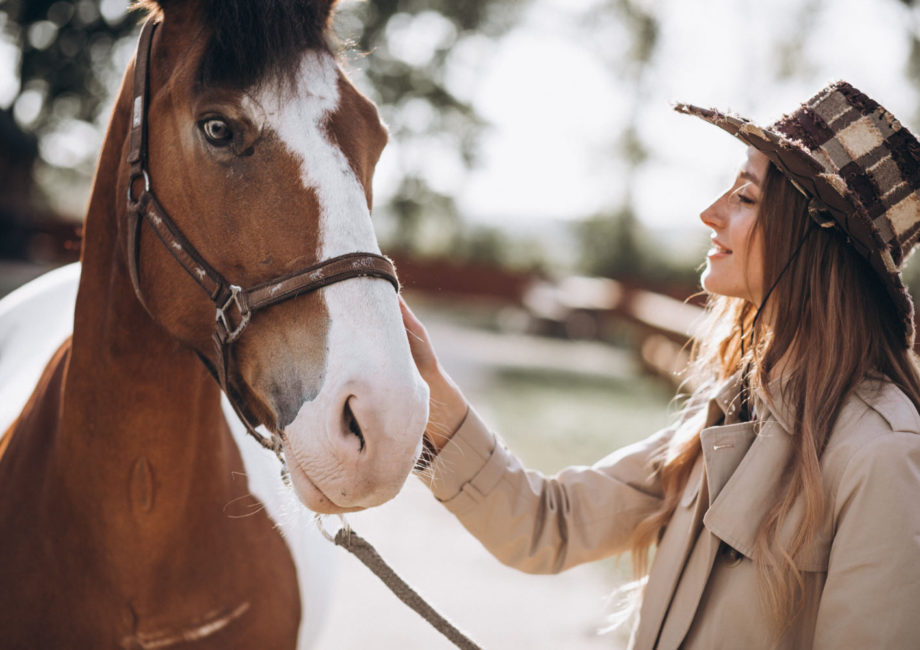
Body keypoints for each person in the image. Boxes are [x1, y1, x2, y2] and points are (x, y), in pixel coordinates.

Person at [399, 81, 920, 649]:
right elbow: (549, 524)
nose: (710, 213)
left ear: (815, 242)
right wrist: (427, 393)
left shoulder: (886, 458)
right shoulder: (733, 412)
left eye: (744, 197)